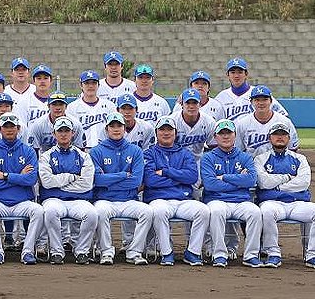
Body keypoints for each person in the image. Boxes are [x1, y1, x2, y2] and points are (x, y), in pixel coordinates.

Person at [253, 124, 315, 269]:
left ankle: (313, 254)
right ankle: (273, 253)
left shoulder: (300, 158)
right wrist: (288, 177)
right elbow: (263, 182)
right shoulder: (261, 159)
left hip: (298, 202)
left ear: (289, 138)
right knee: (266, 212)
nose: (279, 137)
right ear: (270, 138)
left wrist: (278, 186)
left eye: (283, 134)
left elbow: (304, 182)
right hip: (272, 202)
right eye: (276, 134)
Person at [142, 117, 209, 267]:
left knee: (203, 211)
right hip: (159, 199)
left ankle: (193, 252)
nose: (166, 133)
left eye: (169, 130)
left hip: (183, 199)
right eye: (162, 130)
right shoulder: (149, 153)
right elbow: (151, 180)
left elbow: (192, 177)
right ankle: (167, 253)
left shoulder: (185, 153)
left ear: (175, 133)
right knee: (159, 212)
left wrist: (165, 171)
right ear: (156, 133)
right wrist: (179, 176)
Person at [89, 113, 153, 266]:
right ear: (106, 129)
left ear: (125, 129)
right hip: (105, 200)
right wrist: (124, 175)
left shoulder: (135, 150)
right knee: (100, 212)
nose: (116, 129)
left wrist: (108, 179)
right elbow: (96, 180)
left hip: (129, 199)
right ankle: (106, 251)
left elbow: (136, 181)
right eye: (112, 126)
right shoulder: (96, 151)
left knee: (147, 212)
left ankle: (135, 251)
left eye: (119, 126)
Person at [200, 119, 264, 268]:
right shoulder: (208, 157)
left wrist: (224, 177)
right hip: (217, 200)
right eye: (221, 133)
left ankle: (251, 255)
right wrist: (238, 182)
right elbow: (210, 185)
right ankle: (219, 254)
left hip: (241, 201)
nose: (225, 136)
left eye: (228, 133)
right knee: (216, 211)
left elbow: (251, 180)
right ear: (215, 137)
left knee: (255, 212)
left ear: (235, 135)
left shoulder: (245, 157)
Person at [0, 113, 43, 265]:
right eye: (6, 127)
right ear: (0, 129)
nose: (9, 130)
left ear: (18, 129)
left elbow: (31, 179)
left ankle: (28, 251)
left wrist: (5, 176)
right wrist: (19, 178)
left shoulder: (28, 151)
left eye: (12, 127)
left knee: (38, 211)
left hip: (22, 201)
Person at [37, 116, 98, 265]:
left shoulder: (84, 156)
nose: (63, 134)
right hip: (54, 199)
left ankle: (81, 251)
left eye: (66, 131)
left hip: (78, 200)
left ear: (73, 133)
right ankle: (57, 251)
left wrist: (59, 182)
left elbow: (86, 184)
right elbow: (47, 182)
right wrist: (71, 177)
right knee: (50, 211)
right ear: (54, 134)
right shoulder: (46, 156)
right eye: (60, 131)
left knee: (91, 214)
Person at [215, 57, 289, 121]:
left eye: (240, 72)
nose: (236, 76)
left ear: (246, 74)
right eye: (233, 72)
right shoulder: (221, 97)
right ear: (227, 75)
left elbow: (283, 115)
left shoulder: (258, 93)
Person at [234, 85, 299, 155]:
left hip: (279, 164)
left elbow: (293, 148)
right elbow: (238, 150)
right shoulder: (243, 123)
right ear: (251, 102)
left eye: (265, 99)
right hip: (252, 164)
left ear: (271, 101)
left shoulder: (284, 121)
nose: (261, 103)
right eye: (257, 100)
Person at [86, 94, 154, 150]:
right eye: (123, 108)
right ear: (117, 110)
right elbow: (102, 151)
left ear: (136, 109)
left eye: (130, 108)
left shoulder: (147, 128)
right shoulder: (107, 128)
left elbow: (148, 152)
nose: (127, 112)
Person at [66, 70, 116, 138]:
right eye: (87, 83)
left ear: (98, 85)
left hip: (104, 147)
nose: (90, 86)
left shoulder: (109, 106)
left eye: (94, 83)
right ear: (81, 85)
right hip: (81, 147)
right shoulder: (72, 107)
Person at [171, 88, 218, 157]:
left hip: (199, 161)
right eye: (188, 103)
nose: (191, 106)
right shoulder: (173, 121)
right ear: (181, 104)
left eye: (195, 103)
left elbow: (214, 147)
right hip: (175, 161)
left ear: (200, 104)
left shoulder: (209, 122)